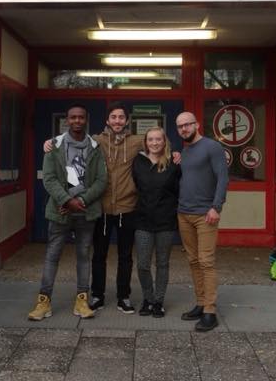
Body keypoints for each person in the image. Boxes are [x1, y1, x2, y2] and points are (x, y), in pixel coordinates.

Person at [44, 103, 143, 313]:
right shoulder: (97, 141)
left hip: (126, 207)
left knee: (125, 256)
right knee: (98, 255)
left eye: (121, 117)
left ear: (127, 120)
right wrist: (49, 143)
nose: (117, 121)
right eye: (113, 117)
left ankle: (124, 297)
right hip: (102, 208)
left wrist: (175, 154)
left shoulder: (137, 141)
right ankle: (97, 295)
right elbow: (64, 151)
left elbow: (159, 143)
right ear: (107, 120)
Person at [28, 103, 107, 321]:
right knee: (52, 256)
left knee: (83, 256)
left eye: (81, 117)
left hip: (86, 211)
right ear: (67, 120)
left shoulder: (95, 147)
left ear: (86, 119)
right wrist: (66, 200)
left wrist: (81, 200)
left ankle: (82, 301)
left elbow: (101, 180)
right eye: (73, 117)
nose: (77, 121)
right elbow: (49, 178)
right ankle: (43, 302)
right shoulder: (54, 145)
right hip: (60, 211)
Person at [174, 111, 229, 332]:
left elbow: (222, 178)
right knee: (194, 260)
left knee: (206, 261)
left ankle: (210, 310)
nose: (184, 129)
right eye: (180, 126)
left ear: (197, 124)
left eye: (187, 124)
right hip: (184, 213)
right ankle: (200, 302)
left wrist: (216, 206)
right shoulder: (185, 151)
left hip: (205, 214)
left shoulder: (212, 147)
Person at [131, 127, 180, 318]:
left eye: (158, 139)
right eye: (150, 139)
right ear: (146, 142)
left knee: (162, 263)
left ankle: (158, 301)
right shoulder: (138, 161)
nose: (154, 143)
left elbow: (178, 189)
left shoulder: (173, 162)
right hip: (143, 221)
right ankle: (148, 299)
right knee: (143, 264)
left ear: (164, 141)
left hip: (165, 221)